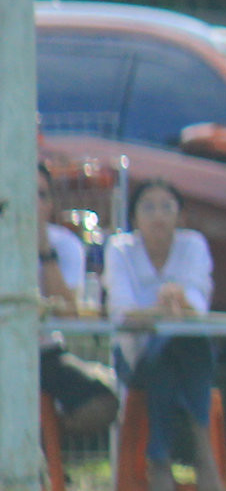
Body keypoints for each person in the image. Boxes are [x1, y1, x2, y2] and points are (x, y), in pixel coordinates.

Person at [105, 179, 226, 491]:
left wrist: (180, 301)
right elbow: (122, 313)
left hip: (184, 353)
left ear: (180, 216)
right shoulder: (120, 250)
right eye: (148, 208)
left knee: (180, 344)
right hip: (136, 359)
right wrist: (161, 311)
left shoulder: (193, 245)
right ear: (134, 218)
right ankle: (201, 447)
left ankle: (160, 460)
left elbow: (197, 307)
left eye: (166, 207)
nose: (158, 216)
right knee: (164, 348)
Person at [36, 161, 118, 438]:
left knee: (102, 401)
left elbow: (68, 314)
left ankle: (42, 441)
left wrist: (44, 252)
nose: (33, 203)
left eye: (41, 195)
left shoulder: (65, 245)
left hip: (44, 354)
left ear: (50, 205)